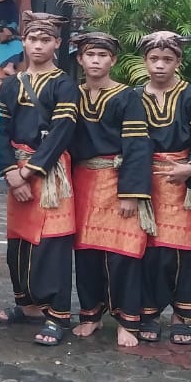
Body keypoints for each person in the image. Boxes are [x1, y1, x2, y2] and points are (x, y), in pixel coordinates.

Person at [0, 11, 79, 347]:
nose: (38, 46)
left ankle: (57, 315)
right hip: (16, 170)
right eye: (32, 39)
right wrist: (10, 172)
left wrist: (29, 172)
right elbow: (0, 130)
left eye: (46, 40)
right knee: (19, 243)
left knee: (52, 244)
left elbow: (62, 131)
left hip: (49, 172)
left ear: (57, 43)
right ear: (24, 42)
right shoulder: (10, 84)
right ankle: (28, 305)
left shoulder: (65, 84)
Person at [69, 33, 152, 348]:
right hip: (82, 182)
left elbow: (137, 145)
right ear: (80, 59)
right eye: (90, 55)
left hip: (116, 180)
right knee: (86, 253)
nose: (96, 61)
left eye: (103, 55)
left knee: (123, 253)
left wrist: (131, 192)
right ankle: (90, 314)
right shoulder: (73, 94)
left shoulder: (128, 96)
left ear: (113, 60)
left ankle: (127, 320)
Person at [137, 31, 191, 345]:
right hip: (146, 183)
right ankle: (149, 312)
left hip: (184, 185)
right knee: (151, 251)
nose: (160, 65)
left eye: (167, 59)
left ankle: (182, 315)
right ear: (144, 61)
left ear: (178, 62)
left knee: (184, 251)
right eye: (154, 59)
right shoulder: (134, 96)